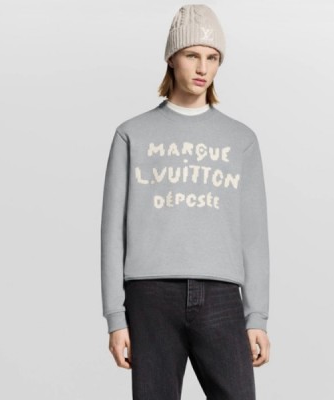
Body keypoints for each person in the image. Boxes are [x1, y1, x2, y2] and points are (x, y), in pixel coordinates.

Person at [100, 4, 271, 399]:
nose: (202, 68)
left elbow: (254, 235)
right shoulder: (132, 134)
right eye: (192, 55)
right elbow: (112, 233)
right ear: (171, 58)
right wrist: (115, 317)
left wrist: (256, 317)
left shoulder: (241, 140)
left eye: (212, 58)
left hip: (222, 295)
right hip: (150, 295)